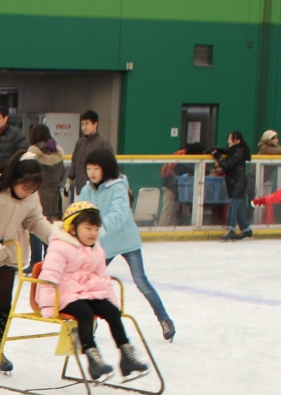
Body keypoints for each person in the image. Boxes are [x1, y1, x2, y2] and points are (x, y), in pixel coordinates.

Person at [35, 201, 148, 382]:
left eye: (96, 229)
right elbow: (49, 277)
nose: (93, 233)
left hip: (89, 294)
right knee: (84, 313)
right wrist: (48, 306)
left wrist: (111, 303)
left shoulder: (97, 250)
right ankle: (93, 358)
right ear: (72, 228)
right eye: (88, 228)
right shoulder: (59, 247)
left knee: (112, 312)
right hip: (64, 296)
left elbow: (103, 279)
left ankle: (127, 355)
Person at [78, 148, 176, 341]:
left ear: (106, 168)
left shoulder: (118, 187)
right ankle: (89, 322)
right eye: (89, 168)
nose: (92, 173)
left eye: (96, 168)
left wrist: (98, 229)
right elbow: (79, 212)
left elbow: (119, 213)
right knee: (91, 283)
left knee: (141, 281)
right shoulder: (86, 190)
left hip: (126, 241)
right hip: (102, 244)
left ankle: (164, 319)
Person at [0, 152, 53, 369]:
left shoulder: (30, 195)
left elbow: (35, 220)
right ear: (14, 178)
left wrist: (54, 236)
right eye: (25, 187)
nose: (28, 192)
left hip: (9, 252)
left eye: (33, 189)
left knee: (4, 304)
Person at [212, 131, 252, 241]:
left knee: (233, 207)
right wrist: (215, 149)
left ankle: (231, 230)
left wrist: (218, 156)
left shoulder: (238, 152)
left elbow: (227, 164)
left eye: (230, 139)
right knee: (237, 208)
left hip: (238, 182)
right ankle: (247, 230)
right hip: (234, 182)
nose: (228, 141)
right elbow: (226, 150)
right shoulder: (234, 150)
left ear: (237, 141)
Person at [26, 123, 64, 223]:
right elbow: (62, 175)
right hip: (54, 203)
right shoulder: (58, 155)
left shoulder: (32, 155)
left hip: (35, 200)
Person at [70, 110, 110, 196]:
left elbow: (109, 166)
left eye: (87, 124)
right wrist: (69, 180)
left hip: (98, 190)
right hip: (80, 189)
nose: (84, 127)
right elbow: (74, 162)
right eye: (82, 124)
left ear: (95, 124)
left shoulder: (103, 143)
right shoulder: (80, 143)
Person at [157, 148, 193, 227]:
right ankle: (161, 228)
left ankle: (172, 228)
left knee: (173, 210)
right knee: (167, 210)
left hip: (172, 186)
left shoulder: (178, 156)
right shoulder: (183, 160)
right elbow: (191, 169)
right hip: (170, 186)